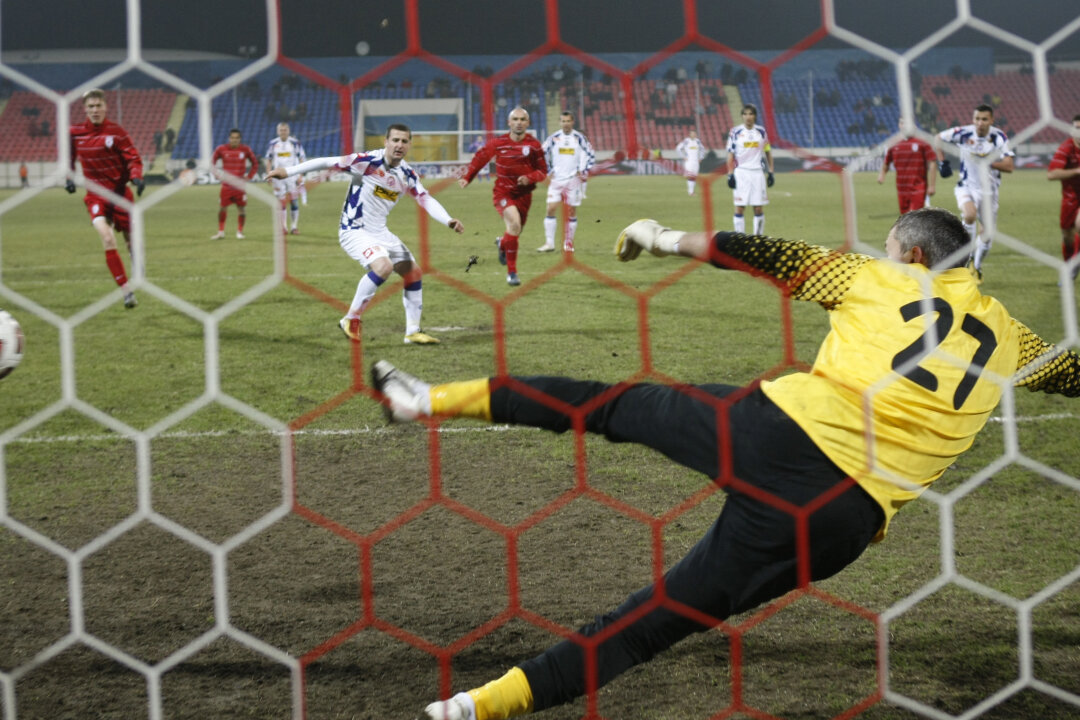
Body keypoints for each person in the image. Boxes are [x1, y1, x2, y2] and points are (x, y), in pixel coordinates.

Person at [372, 207, 1080, 720]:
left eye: (891, 249)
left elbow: (762, 252)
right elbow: (1072, 373)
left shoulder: (876, 278)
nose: (883, 255)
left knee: (609, 405)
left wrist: (660, 236)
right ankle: (478, 708)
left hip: (782, 435)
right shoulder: (1012, 339)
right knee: (654, 622)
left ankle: (423, 400)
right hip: (843, 522)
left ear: (915, 258)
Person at [267, 124, 463, 345]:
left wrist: (448, 219)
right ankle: (350, 319)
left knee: (413, 273)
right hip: (354, 230)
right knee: (383, 266)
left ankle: (412, 332)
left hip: (380, 232)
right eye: (395, 140)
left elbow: (424, 198)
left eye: (404, 141)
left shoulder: (407, 174)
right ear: (386, 142)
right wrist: (288, 172)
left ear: (409, 145)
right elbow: (326, 161)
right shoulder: (366, 162)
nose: (399, 145)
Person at [66, 88, 144, 309]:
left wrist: (136, 176)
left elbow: (133, 158)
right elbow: (68, 159)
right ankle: (126, 292)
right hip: (95, 196)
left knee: (131, 240)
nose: (95, 110)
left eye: (98, 105)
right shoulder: (75, 133)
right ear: (85, 109)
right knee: (107, 238)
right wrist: (69, 178)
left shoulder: (117, 132)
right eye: (91, 106)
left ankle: (137, 263)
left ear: (105, 107)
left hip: (120, 194)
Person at [459, 107, 548, 286]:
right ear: (509, 122)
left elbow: (543, 171)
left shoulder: (534, 145)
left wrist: (530, 178)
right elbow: (480, 158)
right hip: (503, 193)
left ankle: (502, 244)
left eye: (522, 119)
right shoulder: (498, 143)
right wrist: (468, 177)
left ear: (528, 123)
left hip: (524, 195)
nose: (519, 123)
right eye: (515, 119)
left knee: (515, 231)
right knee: (514, 224)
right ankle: (512, 273)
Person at [935, 104, 1015, 282]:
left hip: (988, 191)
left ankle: (976, 266)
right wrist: (942, 162)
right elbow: (937, 138)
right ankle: (967, 257)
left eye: (984, 119)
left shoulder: (998, 137)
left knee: (986, 236)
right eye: (977, 119)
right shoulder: (964, 133)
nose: (980, 123)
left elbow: (1009, 166)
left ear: (991, 120)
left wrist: (987, 162)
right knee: (969, 215)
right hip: (966, 186)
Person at [537, 111, 595, 253]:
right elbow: (541, 153)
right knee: (550, 209)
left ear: (572, 122)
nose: (566, 124)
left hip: (573, 181)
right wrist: (548, 170)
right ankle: (549, 243)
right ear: (560, 122)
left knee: (571, 211)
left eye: (568, 121)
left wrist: (584, 171)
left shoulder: (579, 138)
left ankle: (568, 243)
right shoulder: (553, 138)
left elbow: (591, 154)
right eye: (563, 121)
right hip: (556, 180)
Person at [725, 104, 774, 234]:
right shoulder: (735, 132)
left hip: (757, 174)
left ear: (755, 116)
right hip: (741, 173)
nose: (748, 117)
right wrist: (730, 174)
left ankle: (757, 239)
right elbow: (730, 154)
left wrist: (771, 172)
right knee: (739, 208)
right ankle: (740, 240)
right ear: (742, 116)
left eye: (751, 114)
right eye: (745, 114)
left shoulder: (761, 132)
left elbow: (768, 152)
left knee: (758, 208)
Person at [877, 118, 936, 214]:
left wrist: (932, 186)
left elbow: (932, 162)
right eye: (901, 123)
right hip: (901, 188)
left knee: (913, 216)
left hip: (918, 187)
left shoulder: (922, 142)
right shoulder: (894, 143)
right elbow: (887, 162)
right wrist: (882, 174)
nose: (904, 125)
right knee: (905, 218)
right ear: (899, 125)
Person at [1047, 113, 1080, 282]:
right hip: (1070, 197)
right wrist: (1076, 171)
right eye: (1077, 128)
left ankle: (1075, 262)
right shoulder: (1066, 148)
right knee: (1067, 236)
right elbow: (1051, 174)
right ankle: (1070, 268)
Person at [210, 129, 259, 239]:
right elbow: (212, 162)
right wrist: (217, 175)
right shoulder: (221, 149)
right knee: (222, 208)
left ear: (240, 139)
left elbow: (255, 164)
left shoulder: (245, 149)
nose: (234, 140)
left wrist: (249, 177)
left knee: (241, 209)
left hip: (239, 186)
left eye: (237, 138)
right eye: (232, 138)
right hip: (226, 186)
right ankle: (220, 232)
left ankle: (240, 232)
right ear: (229, 138)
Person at [265, 122, 306, 235]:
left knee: (294, 201)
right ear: (278, 131)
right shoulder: (273, 143)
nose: (283, 132)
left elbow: (302, 158)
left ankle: (294, 227)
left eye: (285, 130)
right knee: (281, 201)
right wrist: (269, 174)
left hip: (292, 176)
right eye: (281, 130)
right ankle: (283, 227)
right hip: (278, 177)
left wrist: (300, 175)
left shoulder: (295, 143)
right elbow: (269, 159)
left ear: (288, 131)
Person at [675, 128, 705, 196]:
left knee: (694, 177)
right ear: (689, 134)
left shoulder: (698, 141)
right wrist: (683, 156)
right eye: (692, 133)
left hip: (696, 161)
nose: (693, 135)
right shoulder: (686, 141)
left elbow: (702, 149)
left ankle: (691, 191)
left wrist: (701, 158)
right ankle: (690, 192)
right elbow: (678, 148)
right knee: (690, 175)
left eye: (694, 133)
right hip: (689, 161)